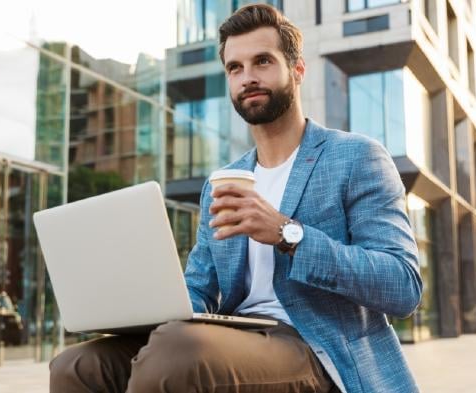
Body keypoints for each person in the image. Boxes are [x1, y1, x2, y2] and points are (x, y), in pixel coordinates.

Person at [49, 4, 423, 393]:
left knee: (176, 352)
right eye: (235, 68)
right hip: (237, 335)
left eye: (262, 61)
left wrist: (287, 234)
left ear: (297, 70)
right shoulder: (221, 183)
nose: (248, 78)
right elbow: (200, 291)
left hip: (319, 348)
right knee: (77, 364)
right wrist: (140, 303)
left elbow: (403, 286)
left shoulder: (355, 157)